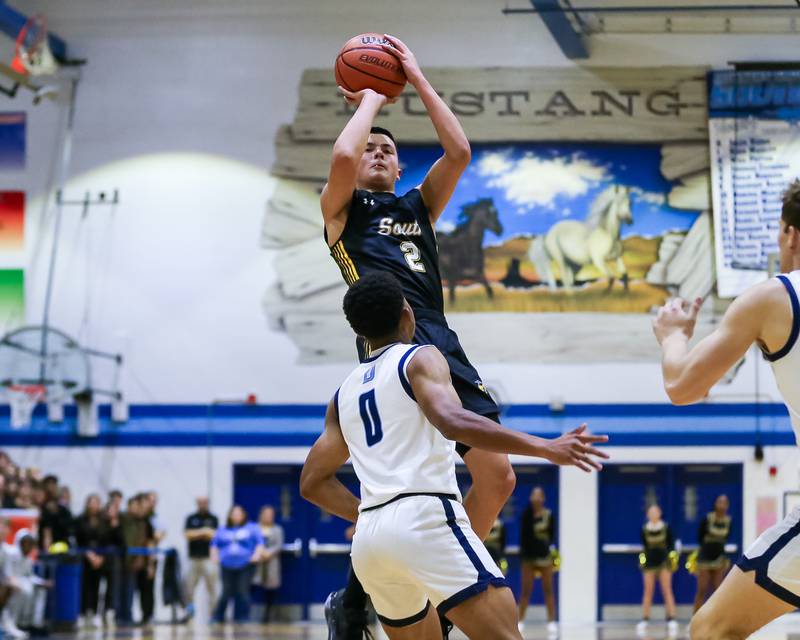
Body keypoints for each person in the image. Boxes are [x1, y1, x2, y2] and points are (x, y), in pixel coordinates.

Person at [320, 34, 515, 639]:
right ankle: (359, 597)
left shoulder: (417, 207)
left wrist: (417, 79)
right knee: (399, 486)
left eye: (387, 149)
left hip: (441, 342)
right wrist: (371, 101)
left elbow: (458, 151)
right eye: (369, 146)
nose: (375, 151)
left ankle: (446, 582)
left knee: (499, 477)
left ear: (401, 167)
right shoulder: (341, 214)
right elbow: (341, 161)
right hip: (388, 353)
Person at [300, 273, 608, 640]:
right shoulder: (420, 358)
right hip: (425, 520)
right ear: (407, 316)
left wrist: (375, 513)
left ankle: (348, 608)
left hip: (370, 543)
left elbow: (312, 483)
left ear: (360, 333)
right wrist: (544, 446)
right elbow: (452, 420)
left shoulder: (342, 394)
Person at [653, 180, 800, 639]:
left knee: (711, 630)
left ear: (791, 234)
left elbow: (682, 385)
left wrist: (674, 335)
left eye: (779, 235)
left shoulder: (775, 297)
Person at [210, 505, 264, 624]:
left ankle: (242, 617)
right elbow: (214, 545)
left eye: (239, 513)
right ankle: (218, 616)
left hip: (245, 565)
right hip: (226, 565)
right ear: (230, 515)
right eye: (234, 514)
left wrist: (256, 555)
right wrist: (214, 556)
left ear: (243, 515)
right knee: (226, 591)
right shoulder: (222, 529)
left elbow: (260, 543)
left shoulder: (252, 527)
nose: (236, 516)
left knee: (243, 591)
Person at [518, 487, 557, 635]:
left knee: (548, 589)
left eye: (538, 495)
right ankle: (520, 620)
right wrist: (523, 556)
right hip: (528, 557)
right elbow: (522, 537)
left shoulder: (549, 515)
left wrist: (551, 552)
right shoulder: (526, 515)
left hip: (544, 557)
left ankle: (551, 621)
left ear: (543, 498)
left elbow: (552, 535)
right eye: (533, 495)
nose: (536, 498)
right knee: (526, 590)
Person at [637, 505, 678, 637]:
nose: (653, 514)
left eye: (655, 511)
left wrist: (672, 559)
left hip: (664, 562)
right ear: (647, 514)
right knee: (648, 591)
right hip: (649, 562)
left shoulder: (665, 527)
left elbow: (672, 545)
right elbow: (644, 546)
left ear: (660, 513)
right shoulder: (644, 529)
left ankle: (671, 618)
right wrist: (642, 561)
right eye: (651, 512)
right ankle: (645, 619)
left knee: (666, 589)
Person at [74, 493, 110, 629]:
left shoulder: (103, 521)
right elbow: (77, 540)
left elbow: (106, 540)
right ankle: (82, 614)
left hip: (100, 558)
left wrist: (101, 556)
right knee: (84, 587)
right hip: (84, 558)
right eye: (91, 502)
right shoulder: (80, 520)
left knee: (97, 587)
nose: (94, 506)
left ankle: (95, 614)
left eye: (96, 503)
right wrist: (88, 554)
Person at [693, 495, 732, 612]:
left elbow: (726, 537)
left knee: (718, 590)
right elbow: (700, 538)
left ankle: (717, 619)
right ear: (715, 504)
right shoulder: (707, 519)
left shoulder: (728, 521)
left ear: (727, 506)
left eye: (724, 503)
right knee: (702, 589)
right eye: (720, 502)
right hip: (705, 557)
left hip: (719, 557)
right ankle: (695, 619)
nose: (722, 505)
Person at [183, 496, 219, 621]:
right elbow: (187, 534)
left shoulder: (213, 518)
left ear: (208, 503)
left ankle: (213, 614)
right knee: (188, 587)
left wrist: (197, 533)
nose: (202, 504)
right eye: (200, 502)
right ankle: (189, 611)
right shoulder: (191, 518)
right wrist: (204, 531)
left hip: (208, 559)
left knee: (212, 587)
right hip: (193, 558)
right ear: (197, 503)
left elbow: (215, 535)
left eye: (205, 502)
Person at [253, 505, 284, 622]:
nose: (269, 517)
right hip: (257, 561)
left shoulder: (277, 529)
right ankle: (249, 614)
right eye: (266, 514)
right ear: (261, 515)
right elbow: (251, 543)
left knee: (270, 590)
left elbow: (279, 545)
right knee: (253, 586)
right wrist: (260, 552)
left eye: (271, 515)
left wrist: (268, 553)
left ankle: (267, 616)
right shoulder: (255, 528)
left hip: (271, 561)